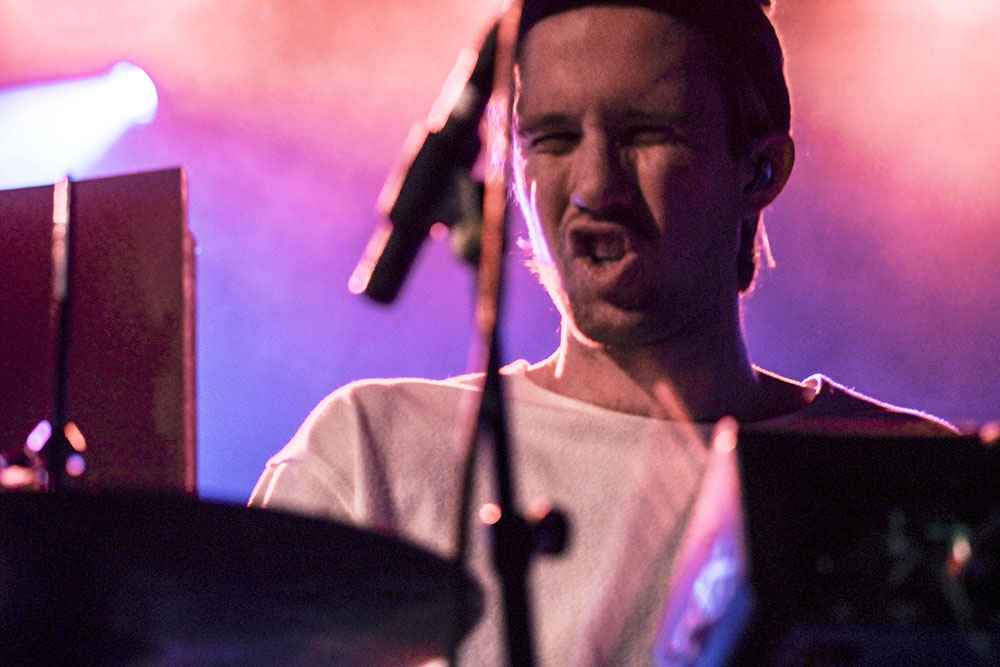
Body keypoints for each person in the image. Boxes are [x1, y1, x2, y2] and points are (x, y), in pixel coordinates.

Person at [250, 1, 954, 664]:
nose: (593, 186)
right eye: (553, 139)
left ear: (760, 169)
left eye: (648, 132)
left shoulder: (909, 475)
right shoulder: (371, 450)